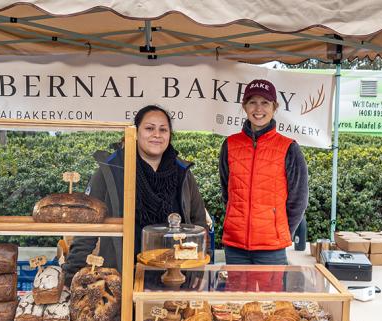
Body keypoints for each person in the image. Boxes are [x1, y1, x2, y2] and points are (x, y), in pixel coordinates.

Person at [63, 105, 207, 287]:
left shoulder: (182, 172)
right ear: (136, 133)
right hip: (123, 278)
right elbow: (88, 229)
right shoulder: (111, 170)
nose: (157, 134)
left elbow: (198, 222)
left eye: (163, 129)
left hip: (174, 278)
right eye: (149, 128)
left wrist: (199, 271)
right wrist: (70, 278)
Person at [219, 79, 308, 291]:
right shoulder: (230, 144)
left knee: (271, 309)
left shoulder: (289, 148)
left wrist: (279, 230)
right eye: (252, 102)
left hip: (271, 248)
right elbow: (227, 191)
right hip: (235, 246)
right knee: (237, 309)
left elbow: (298, 199)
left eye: (265, 103)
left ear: (275, 107)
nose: (258, 109)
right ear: (244, 106)